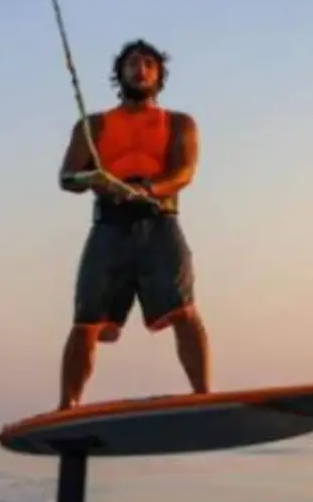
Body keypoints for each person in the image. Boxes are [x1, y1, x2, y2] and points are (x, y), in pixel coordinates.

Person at [55, 39, 212, 410]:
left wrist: (149, 189)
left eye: (148, 64)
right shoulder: (93, 125)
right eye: (131, 64)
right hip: (110, 226)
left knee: (185, 310)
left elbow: (185, 171)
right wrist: (93, 180)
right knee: (86, 321)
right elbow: (66, 177)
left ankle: (204, 395)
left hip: (159, 221)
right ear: (119, 73)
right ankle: (68, 406)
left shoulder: (179, 123)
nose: (139, 69)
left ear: (159, 76)